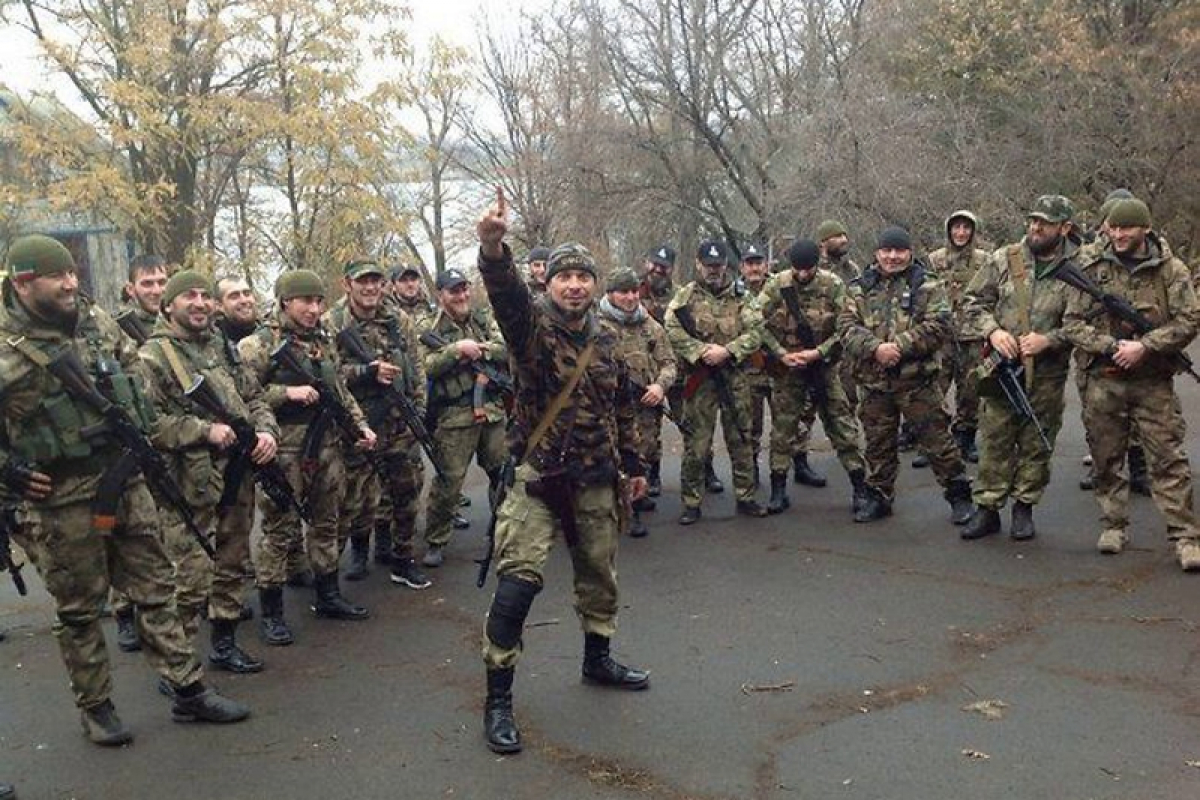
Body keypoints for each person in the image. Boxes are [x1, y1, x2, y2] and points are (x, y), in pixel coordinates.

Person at [0, 235, 249, 745]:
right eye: (58, 276)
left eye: (73, 273)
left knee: (157, 587)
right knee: (80, 609)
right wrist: (9, 471)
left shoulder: (94, 323)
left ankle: (188, 688)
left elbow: (134, 378)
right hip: (60, 498)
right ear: (24, 283)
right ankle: (97, 707)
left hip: (125, 476)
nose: (72, 283)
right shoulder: (5, 347)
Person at [475, 192, 650, 756]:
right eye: (564, 276)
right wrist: (494, 247)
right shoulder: (531, 333)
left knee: (600, 577)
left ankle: (597, 659)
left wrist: (637, 467)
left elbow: (622, 405)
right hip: (539, 480)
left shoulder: (606, 339)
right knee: (517, 584)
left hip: (598, 478)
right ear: (548, 284)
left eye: (582, 276)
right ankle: (497, 700)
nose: (574, 284)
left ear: (593, 284)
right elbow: (505, 300)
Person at [139, 270, 278, 672]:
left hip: (236, 472)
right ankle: (177, 668)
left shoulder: (222, 347)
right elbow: (148, 424)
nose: (199, 303)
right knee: (190, 578)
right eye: (188, 297)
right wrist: (204, 430)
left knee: (232, 561)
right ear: (168, 306)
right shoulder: (152, 357)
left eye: (204, 295)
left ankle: (224, 643)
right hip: (188, 484)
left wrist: (266, 431)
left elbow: (254, 395)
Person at [239, 270, 377, 645]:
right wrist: (287, 393)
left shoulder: (324, 340)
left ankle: (328, 594)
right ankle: (272, 612)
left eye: (318, 301)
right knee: (279, 531)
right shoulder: (258, 345)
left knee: (326, 522)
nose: (315, 309)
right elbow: (242, 400)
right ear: (285, 302)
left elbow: (341, 391)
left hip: (328, 446)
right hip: (282, 452)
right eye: (306, 301)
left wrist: (360, 426)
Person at [1061, 198, 1200, 570]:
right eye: (1114, 228)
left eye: (1128, 228)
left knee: (1169, 459)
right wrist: (1110, 346)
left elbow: (1189, 320)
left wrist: (1145, 346)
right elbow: (1072, 323)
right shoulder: (1090, 268)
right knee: (1106, 457)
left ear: (1145, 229)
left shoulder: (1171, 271)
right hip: (1104, 380)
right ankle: (1113, 525)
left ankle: (1185, 537)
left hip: (1153, 381)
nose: (1119, 235)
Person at [838, 226, 975, 525]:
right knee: (878, 445)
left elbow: (940, 325)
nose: (892, 257)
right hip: (874, 383)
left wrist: (899, 346)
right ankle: (879, 498)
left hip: (918, 383)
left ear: (909, 253)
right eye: (886, 251)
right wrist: (876, 349)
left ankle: (960, 497)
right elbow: (846, 327)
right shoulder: (859, 287)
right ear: (877, 253)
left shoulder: (927, 285)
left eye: (899, 251)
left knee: (939, 443)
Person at [960, 196, 1079, 541]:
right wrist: (993, 331)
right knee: (995, 438)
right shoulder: (1005, 258)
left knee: (1037, 442)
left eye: (1046, 222)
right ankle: (987, 508)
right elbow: (972, 302)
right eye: (1032, 220)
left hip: (1047, 374)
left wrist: (1050, 339)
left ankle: (1024, 507)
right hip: (1002, 368)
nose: (1036, 228)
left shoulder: (1079, 266)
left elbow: (1087, 321)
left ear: (1065, 228)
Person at [326, 258, 431, 589]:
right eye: (362, 281)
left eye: (376, 281)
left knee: (406, 490)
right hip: (358, 427)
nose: (370, 287)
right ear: (348, 284)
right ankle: (356, 554)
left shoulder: (398, 319)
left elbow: (416, 367)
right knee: (356, 500)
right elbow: (327, 376)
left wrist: (418, 411)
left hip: (399, 423)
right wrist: (366, 372)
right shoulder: (332, 322)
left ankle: (403, 558)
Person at [757, 239, 868, 515]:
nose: (803, 275)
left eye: (808, 270)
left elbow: (848, 325)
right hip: (788, 368)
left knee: (842, 426)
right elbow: (753, 322)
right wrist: (781, 353)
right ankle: (779, 489)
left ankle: (860, 487)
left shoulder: (833, 285)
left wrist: (819, 352)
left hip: (823, 367)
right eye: (798, 270)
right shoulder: (777, 285)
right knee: (783, 429)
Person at [665, 239, 768, 524]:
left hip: (735, 377)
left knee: (742, 439)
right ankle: (691, 502)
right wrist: (700, 352)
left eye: (719, 265)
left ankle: (746, 497)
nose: (714, 270)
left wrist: (728, 351)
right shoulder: (684, 297)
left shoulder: (741, 295)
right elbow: (671, 329)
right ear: (698, 264)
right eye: (708, 265)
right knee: (696, 444)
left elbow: (757, 330)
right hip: (700, 380)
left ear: (726, 266)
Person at [418, 268, 509, 566]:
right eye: (454, 291)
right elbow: (424, 367)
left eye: (464, 289)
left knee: (503, 473)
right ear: (441, 295)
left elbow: (505, 347)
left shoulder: (481, 318)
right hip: (453, 415)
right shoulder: (427, 326)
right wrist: (456, 351)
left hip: (492, 410)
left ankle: (504, 532)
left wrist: (480, 351)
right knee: (449, 482)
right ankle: (436, 541)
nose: (461, 295)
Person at [110, 253, 171, 652]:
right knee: (126, 528)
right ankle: (123, 611)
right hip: (125, 445)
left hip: (163, 439)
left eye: (161, 282)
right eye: (146, 283)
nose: (155, 290)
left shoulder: (173, 326)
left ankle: (162, 603)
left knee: (161, 527)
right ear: (131, 288)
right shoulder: (116, 331)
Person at [597, 267, 677, 537]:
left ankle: (637, 495)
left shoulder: (649, 324)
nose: (631, 297)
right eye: (623, 292)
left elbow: (669, 362)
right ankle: (629, 512)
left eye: (634, 291)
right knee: (618, 457)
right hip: (610, 409)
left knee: (645, 451)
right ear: (610, 294)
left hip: (645, 406)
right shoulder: (596, 326)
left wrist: (660, 385)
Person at [927, 210, 990, 463]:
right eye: (956, 228)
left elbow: (989, 294)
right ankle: (932, 443)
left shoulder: (985, 260)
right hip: (942, 337)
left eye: (966, 228)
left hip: (973, 335)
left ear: (973, 231)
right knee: (934, 388)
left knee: (971, 389)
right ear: (949, 230)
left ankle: (966, 438)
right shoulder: (935, 260)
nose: (961, 233)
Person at [638, 243, 681, 495]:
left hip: (677, 370)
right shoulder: (633, 291)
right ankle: (651, 475)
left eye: (663, 267)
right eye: (654, 264)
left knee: (691, 422)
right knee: (647, 427)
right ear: (646, 263)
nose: (657, 269)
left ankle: (705, 469)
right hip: (644, 372)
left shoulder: (680, 295)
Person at [737, 243, 777, 488]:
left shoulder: (780, 288)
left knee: (786, 424)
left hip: (778, 367)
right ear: (742, 267)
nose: (754, 268)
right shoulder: (733, 292)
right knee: (750, 426)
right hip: (749, 370)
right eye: (749, 263)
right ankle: (751, 470)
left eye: (758, 263)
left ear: (766, 265)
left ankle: (789, 469)